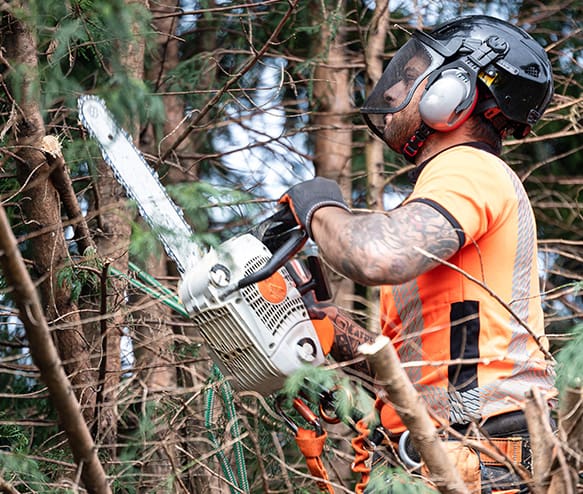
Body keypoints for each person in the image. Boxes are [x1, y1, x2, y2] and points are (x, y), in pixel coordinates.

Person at [276, 15, 556, 493]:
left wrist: (316, 205)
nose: (394, 89)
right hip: (450, 458)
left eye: (412, 75)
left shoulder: (469, 167)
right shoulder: (439, 207)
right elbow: (405, 370)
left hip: (490, 458)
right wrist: (318, 318)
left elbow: (375, 254)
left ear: (454, 89)